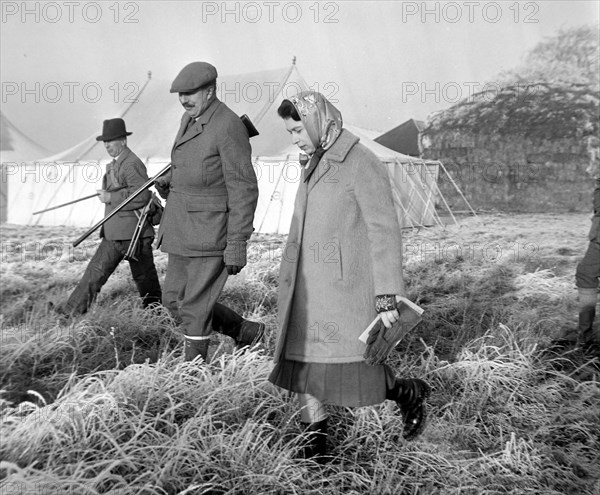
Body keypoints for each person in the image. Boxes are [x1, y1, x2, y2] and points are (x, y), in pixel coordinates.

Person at [268, 91, 431, 461]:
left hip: (345, 291)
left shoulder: (361, 161)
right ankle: (316, 456)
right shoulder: (312, 162)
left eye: (297, 130)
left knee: (354, 371)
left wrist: (388, 294)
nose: (294, 138)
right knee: (303, 368)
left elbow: (384, 230)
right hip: (307, 292)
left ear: (317, 122)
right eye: (290, 132)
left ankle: (408, 393)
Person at [154, 61, 264, 362]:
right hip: (182, 228)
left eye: (190, 93)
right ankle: (244, 331)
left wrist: (238, 242)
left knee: (194, 306)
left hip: (210, 231)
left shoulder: (227, 126)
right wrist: (171, 182)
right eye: (180, 94)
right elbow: (198, 168)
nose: (184, 100)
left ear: (211, 91)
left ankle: (194, 375)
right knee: (173, 299)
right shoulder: (189, 119)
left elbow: (244, 187)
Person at [56, 118, 162, 316]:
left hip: (133, 235)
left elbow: (142, 195)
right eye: (104, 142)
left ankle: (158, 318)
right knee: (95, 273)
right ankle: (70, 313)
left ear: (123, 140)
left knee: (145, 280)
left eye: (110, 141)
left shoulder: (131, 163)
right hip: (118, 233)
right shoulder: (117, 164)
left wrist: (110, 196)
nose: (106, 145)